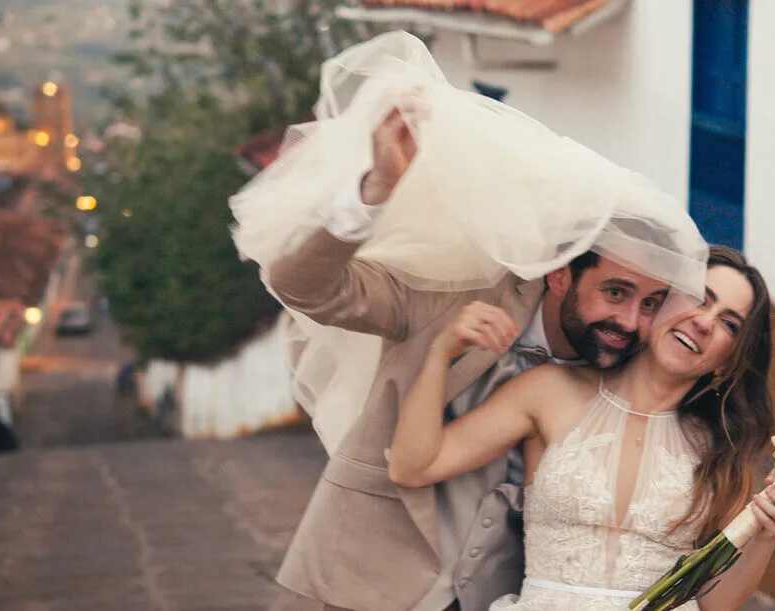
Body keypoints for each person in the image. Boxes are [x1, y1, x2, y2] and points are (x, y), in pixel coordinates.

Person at [230, 32, 707, 610]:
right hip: (363, 577)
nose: (630, 320)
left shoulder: (630, 367)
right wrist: (374, 190)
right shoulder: (452, 294)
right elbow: (302, 286)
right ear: (560, 273)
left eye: (652, 302)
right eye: (616, 292)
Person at [389, 246, 775, 610]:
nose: (704, 321)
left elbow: (714, 603)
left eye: (729, 323)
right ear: (661, 302)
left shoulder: (721, 449)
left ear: (729, 359)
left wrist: (765, 537)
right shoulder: (549, 391)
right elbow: (413, 467)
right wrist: (440, 354)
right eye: (699, 299)